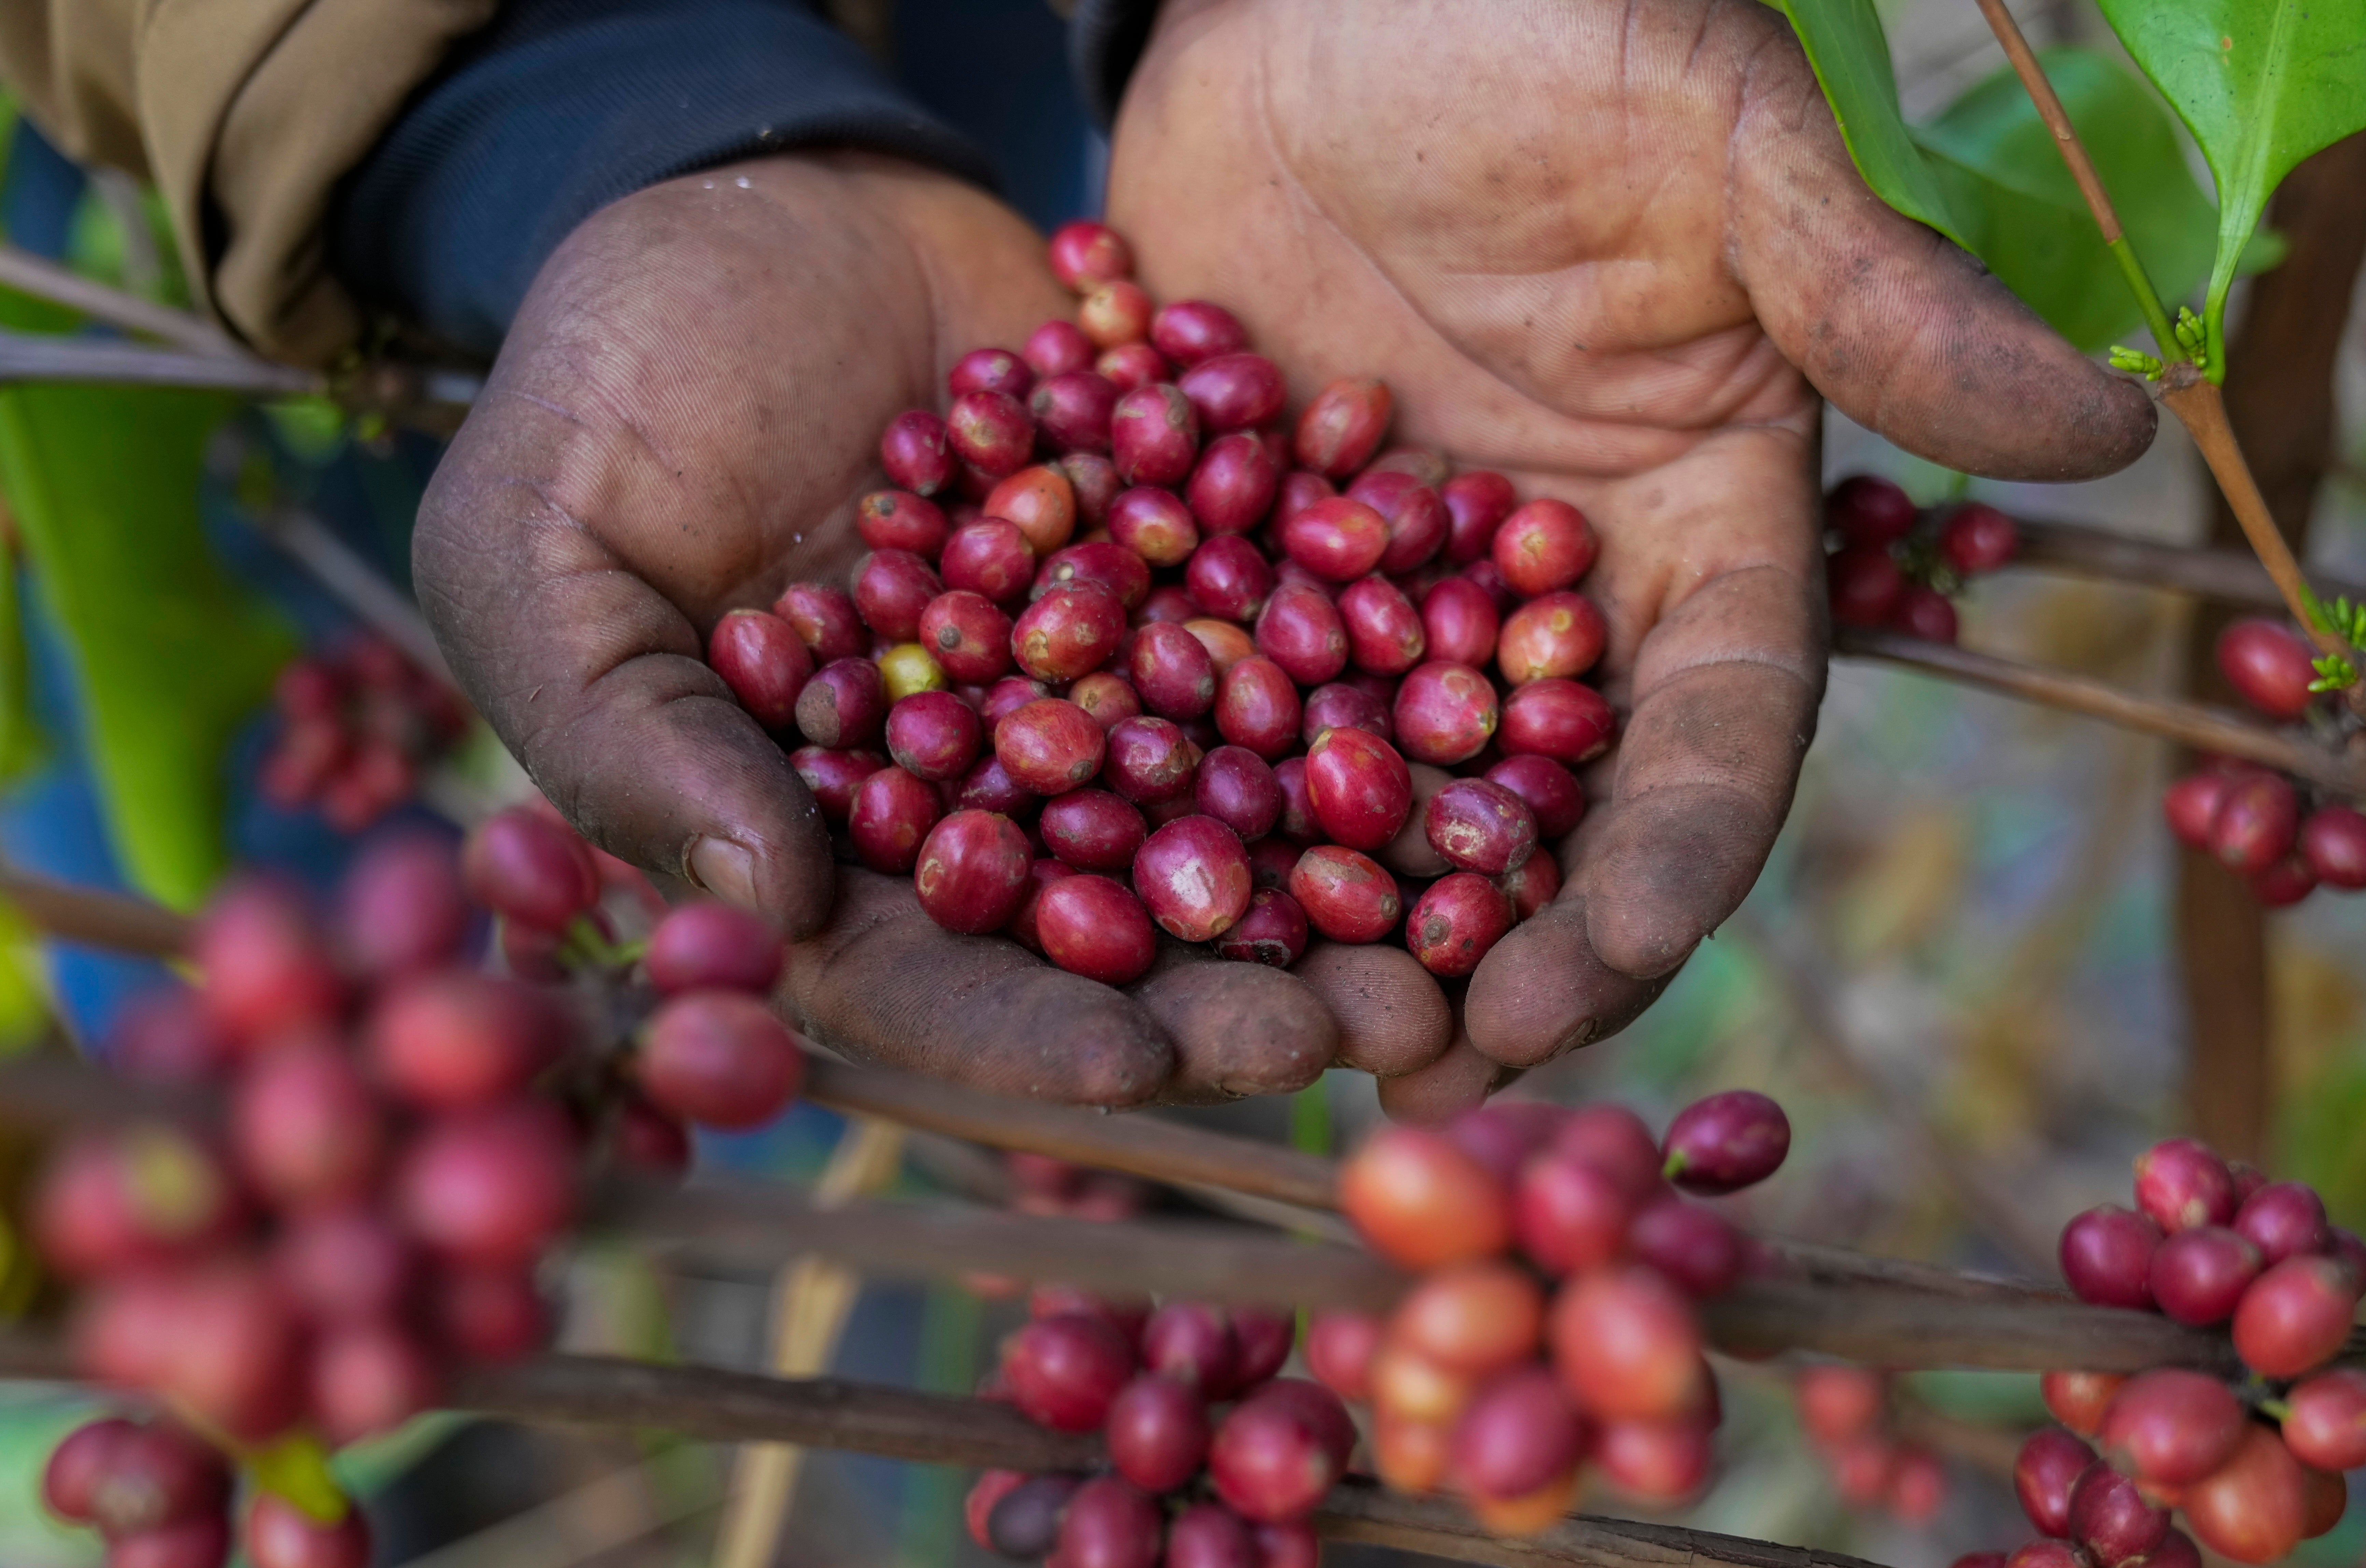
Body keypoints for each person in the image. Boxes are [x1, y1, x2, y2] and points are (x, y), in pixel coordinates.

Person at [0, 0, 2153, 1116]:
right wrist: (549, 97)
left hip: (1085, 76)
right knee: (345, 902)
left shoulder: (1154, 578)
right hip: (261, 140)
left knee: (779, 880)